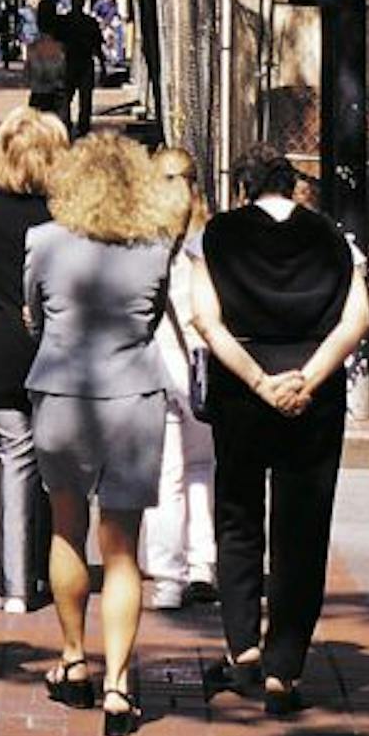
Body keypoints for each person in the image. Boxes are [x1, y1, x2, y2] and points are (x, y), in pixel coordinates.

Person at [189, 143, 369, 717]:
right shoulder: (333, 237)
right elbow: (357, 319)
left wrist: (260, 382)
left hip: (242, 389)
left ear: (243, 186)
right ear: (294, 185)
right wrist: (310, 378)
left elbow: (206, 319)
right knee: (302, 528)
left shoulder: (216, 236)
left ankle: (243, 647)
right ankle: (284, 669)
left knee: (239, 516)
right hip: (314, 393)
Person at [23, 133, 176, 736]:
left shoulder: (44, 241)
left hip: (63, 392)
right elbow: (156, 316)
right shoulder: (157, 248)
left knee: (66, 528)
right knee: (123, 549)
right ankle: (117, 684)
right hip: (133, 397)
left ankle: (72, 657)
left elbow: (31, 310)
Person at [0, 105, 70, 615]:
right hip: (55, 347)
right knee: (56, 460)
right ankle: (52, 563)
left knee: (12, 455)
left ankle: (17, 582)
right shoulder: (66, 214)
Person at [141, 147, 218, 611]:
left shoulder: (145, 243)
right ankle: (202, 565)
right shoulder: (210, 240)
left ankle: (169, 576)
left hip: (159, 365)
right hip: (206, 365)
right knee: (201, 469)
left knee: (166, 474)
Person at [56, 0, 103, 139]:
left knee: (75, 98)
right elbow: (97, 46)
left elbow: (97, 45)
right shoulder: (85, 22)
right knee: (76, 98)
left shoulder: (65, 22)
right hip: (75, 62)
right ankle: (78, 125)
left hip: (77, 63)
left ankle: (74, 125)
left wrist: (102, 64)